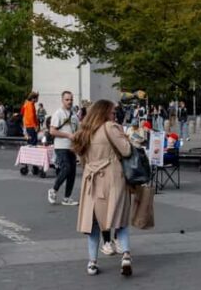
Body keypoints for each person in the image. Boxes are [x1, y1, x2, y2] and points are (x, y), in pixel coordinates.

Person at [72, 99, 133, 277]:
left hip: (91, 180)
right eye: (113, 112)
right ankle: (126, 255)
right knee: (119, 218)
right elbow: (126, 151)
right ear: (105, 112)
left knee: (93, 223)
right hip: (112, 177)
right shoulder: (110, 128)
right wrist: (123, 136)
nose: (115, 114)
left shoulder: (84, 131)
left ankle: (92, 262)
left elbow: (81, 158)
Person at [48, 91, 80, 206]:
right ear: (62, 100)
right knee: (66, 168)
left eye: (71, 99)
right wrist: (68, 135)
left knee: (72, 172)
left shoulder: (74, 115)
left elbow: (77, 131)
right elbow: (52, 131)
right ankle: (54, 190)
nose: (69, 102)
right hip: (61, 146)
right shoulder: (58, 114)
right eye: (67, 99)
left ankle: (67, 198)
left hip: (72, 147)